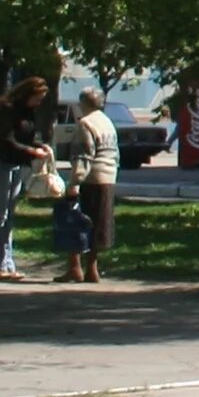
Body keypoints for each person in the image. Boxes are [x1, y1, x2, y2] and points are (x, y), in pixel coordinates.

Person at [0, 76, 52, 280]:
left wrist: (39, 146)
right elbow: (7, 139)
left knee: (9, 216)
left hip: (17, 164)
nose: (39, 102)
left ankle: (8, 264)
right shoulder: (8, 108)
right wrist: (32, 151)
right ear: (27, 94)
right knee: (0, 216)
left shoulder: (29, 112)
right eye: (37, 98)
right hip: (0, 163)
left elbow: (29, 136)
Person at [69, 89, 118, 283]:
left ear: (83, 103)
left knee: (78, 222)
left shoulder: (85, 123)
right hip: (109, 176)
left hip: (91, 178)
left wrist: (75, 182)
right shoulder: (107, 122)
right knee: (99, 225)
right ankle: (92, 268)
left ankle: (74, 268)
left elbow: (84, 155)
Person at [49, 182, 93, 280]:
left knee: (73, 221)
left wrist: (74, 181)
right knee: (88, 222)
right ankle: (89, 268)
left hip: (78, 182)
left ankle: (75, 267)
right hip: (102, 177)